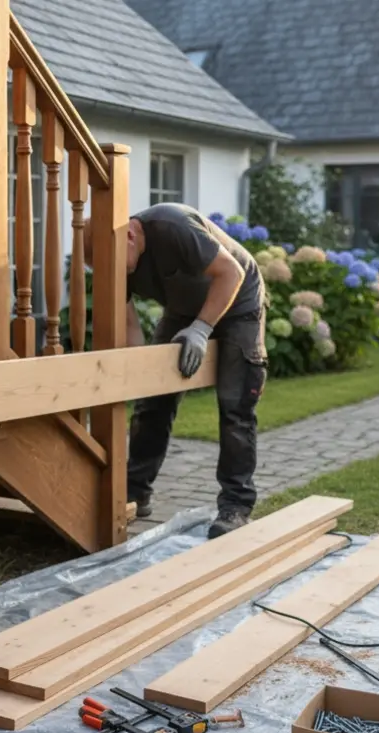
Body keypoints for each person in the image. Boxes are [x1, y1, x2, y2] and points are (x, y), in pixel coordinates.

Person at [85, 203, 267, 539]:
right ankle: (135, 492)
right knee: (153, 402)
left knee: (236, 406)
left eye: (112, 264)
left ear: (129, 236)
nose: (111, 273)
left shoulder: (173, 225)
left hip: (239, 302)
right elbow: (129, 326)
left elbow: (232, 274)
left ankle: (236, 507)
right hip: (183, 310)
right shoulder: (112, 259)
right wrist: (138, 370)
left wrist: (201, 329)